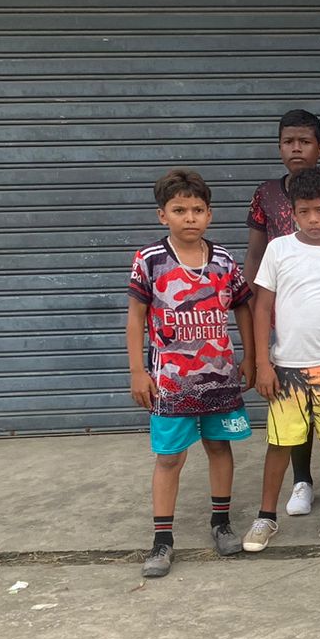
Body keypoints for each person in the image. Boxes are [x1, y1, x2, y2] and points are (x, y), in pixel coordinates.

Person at [126, 169, 255, 579]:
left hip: (219, 377)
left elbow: (243, 307)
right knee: (169, 457)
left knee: (219, 446)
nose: (190, 218)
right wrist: (137, 371)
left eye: (197, 209)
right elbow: (136, 316)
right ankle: (162, 540)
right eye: (179, 210)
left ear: (209, 214)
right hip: (170, 382)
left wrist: (250, 356)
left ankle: (221, 522)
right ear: (162, 215)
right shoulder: (150, 260)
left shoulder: (224, 260)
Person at [242, 166, 320, 553]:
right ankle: (266, 516)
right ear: (292, 213)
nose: (313, 219)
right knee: (280, 443)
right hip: (286, 369)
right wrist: (263, 364)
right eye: (304, 212)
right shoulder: (279, 250)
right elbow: (261, 308)